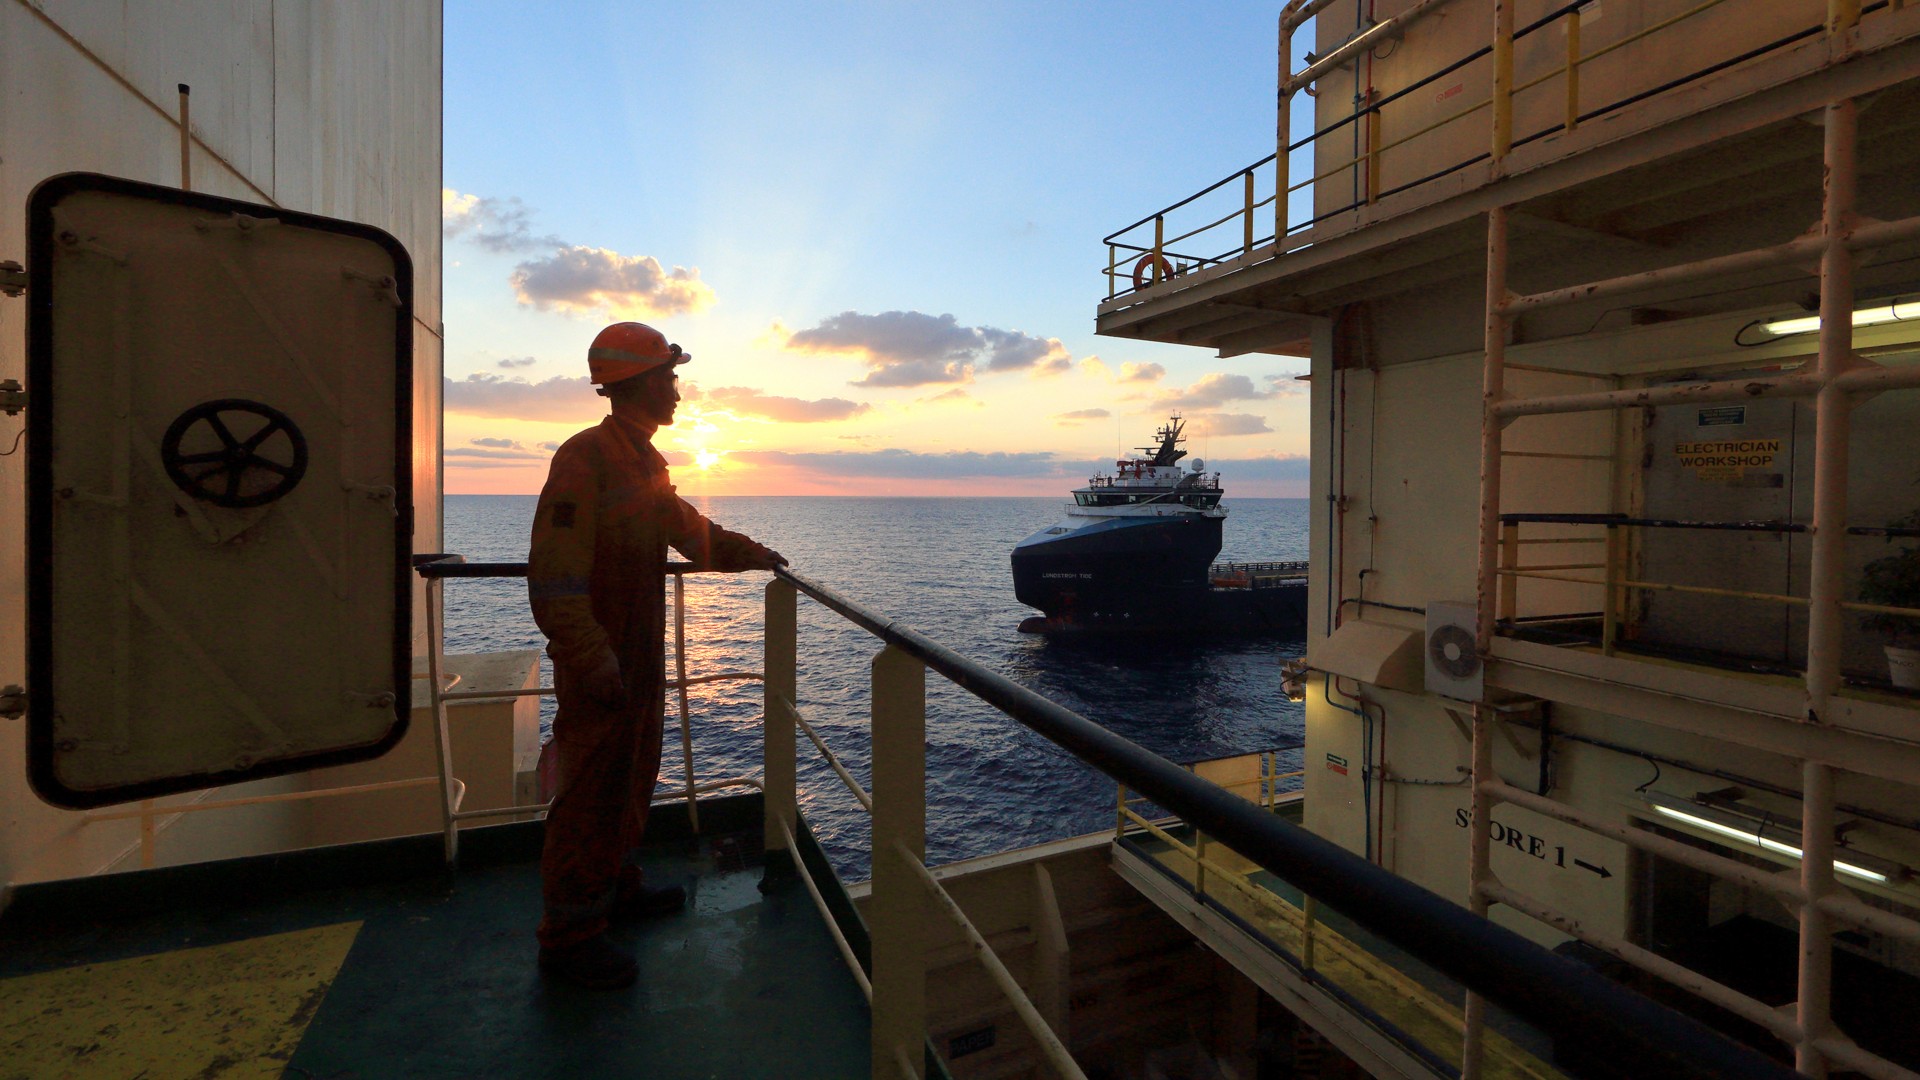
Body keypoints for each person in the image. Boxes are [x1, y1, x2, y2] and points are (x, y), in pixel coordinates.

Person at [527, 321, 785, 989]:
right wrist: (591, 657)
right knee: (588, 795)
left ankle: (615, 889)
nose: (677, 390)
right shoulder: (584, 459)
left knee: (632, 778)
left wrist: (746, 553)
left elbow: (685, 530)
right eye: (669, 377)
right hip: (602, 662)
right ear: (639, 383)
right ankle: (569, 939)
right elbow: (554, 578)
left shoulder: (640, 462)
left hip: (632, 657)